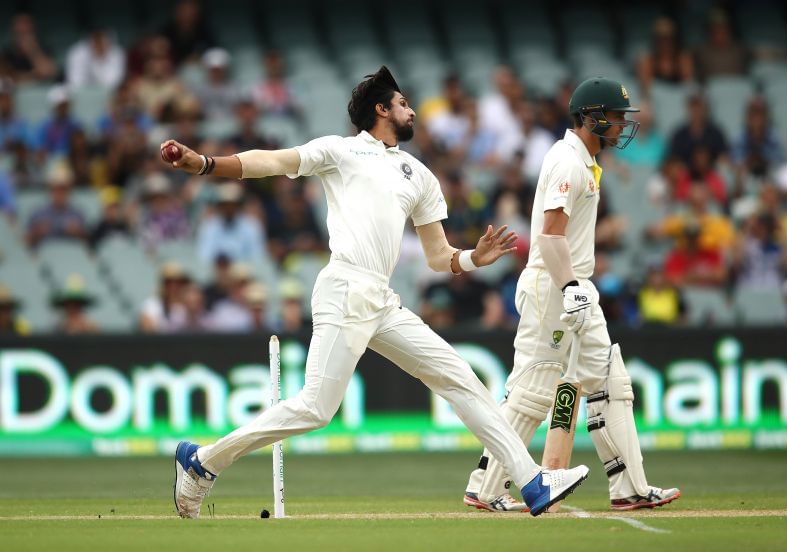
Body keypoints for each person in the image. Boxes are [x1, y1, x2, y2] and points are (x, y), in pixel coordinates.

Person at [162, 66, 589, 519]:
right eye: (403, 103)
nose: (412, 111)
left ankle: (531, 482)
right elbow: (273, 161)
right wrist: (206, 164)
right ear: (382, 109)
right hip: (345, 288)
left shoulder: (419, 175)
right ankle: (203, 461)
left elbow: (437, 255)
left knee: (460, 377)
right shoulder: (340, 152)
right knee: (315, 409)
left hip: (381, 301)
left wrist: (471, 259)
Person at [463, 77, 680, 513]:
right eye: (615, 118)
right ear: (590, 118)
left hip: (574, 286)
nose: (621, 126)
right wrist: (571, 289)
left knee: (610, 380)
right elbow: (548, 238)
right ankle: (485, 488)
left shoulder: (585, 161)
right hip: (554, 286)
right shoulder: (567, 162)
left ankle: (629, 488)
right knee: (533, 389)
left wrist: (578, 289)